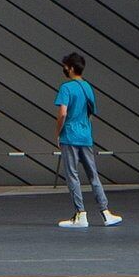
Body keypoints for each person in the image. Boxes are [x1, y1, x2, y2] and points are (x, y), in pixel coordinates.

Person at [54, 54, 119, 229]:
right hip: (85, 136)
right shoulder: (88, 87)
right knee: (93, 174)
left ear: (71, 68)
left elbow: (62, 113)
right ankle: (106, 212)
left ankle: (80, 214)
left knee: (72, 175)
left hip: (69, 136)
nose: (64, 69)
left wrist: (58, 133)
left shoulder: (66, 88)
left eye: (65, 66)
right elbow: (91, 113)